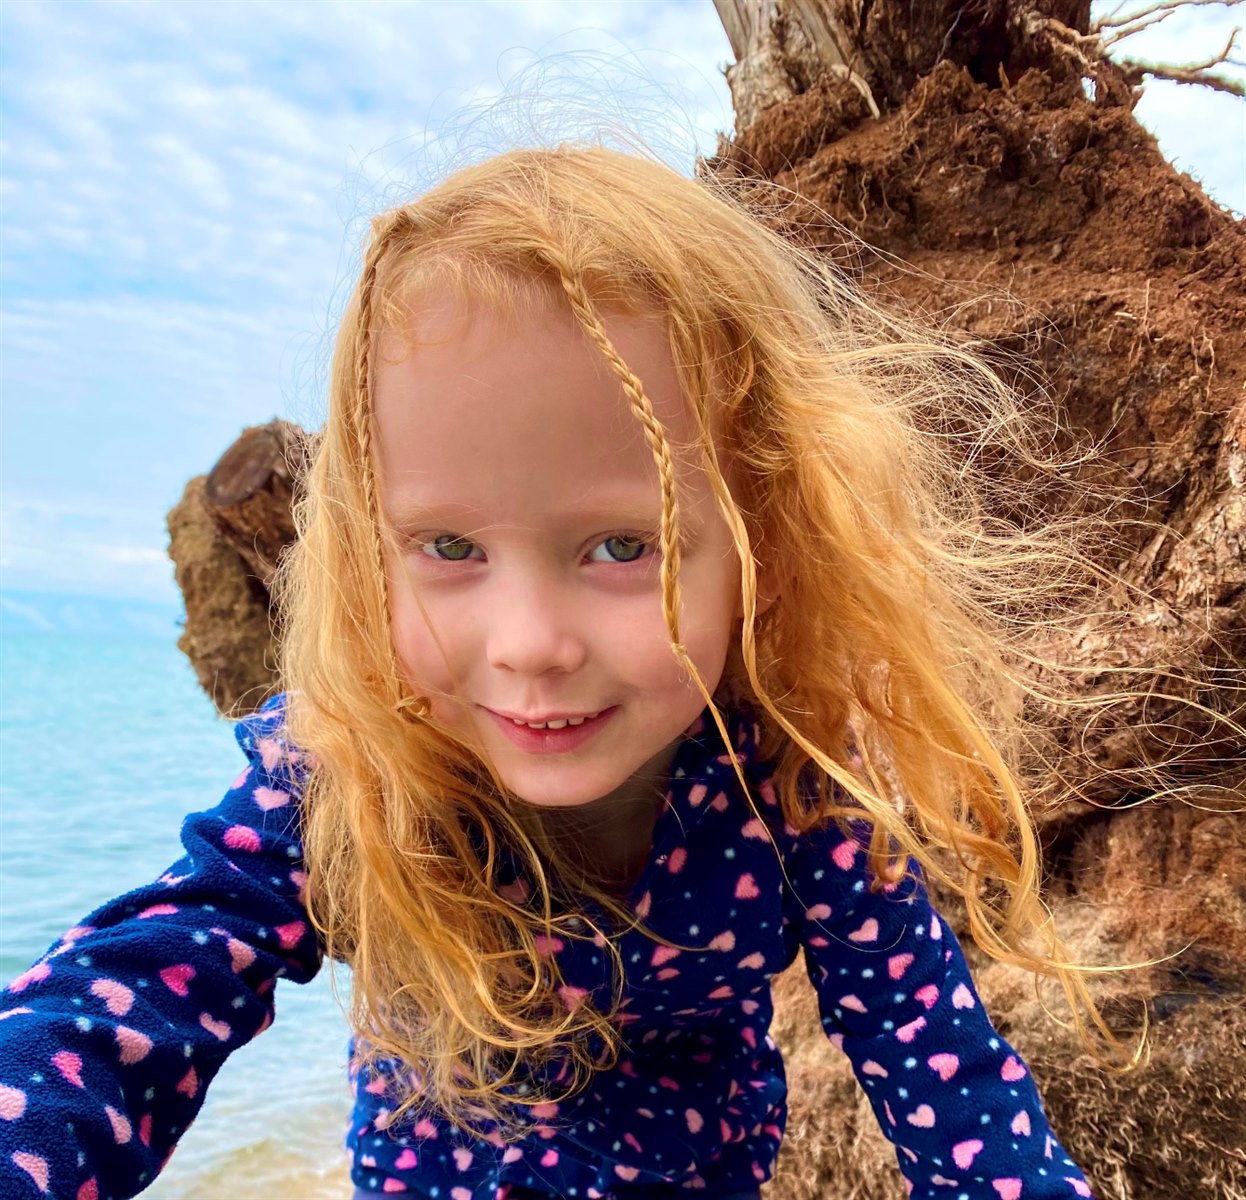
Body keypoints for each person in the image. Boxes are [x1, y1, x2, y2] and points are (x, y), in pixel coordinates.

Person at [0, 144, 1121, 1200]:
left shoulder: (793, 779)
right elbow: (136, 990)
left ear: (764, 552)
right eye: (449, 546)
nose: (528, 642)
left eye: (622, 545)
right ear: (366, 555)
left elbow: (935, 1053)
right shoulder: (350, 762)